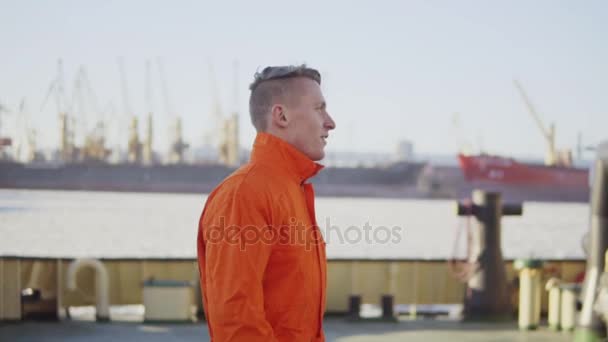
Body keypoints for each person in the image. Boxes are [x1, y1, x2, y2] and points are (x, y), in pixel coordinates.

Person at [197, 65, 336, 342]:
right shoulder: (245, 194)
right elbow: (236, 322)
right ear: (281, 115)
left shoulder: (290, 190)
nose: (330, 122)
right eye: (319, 108)